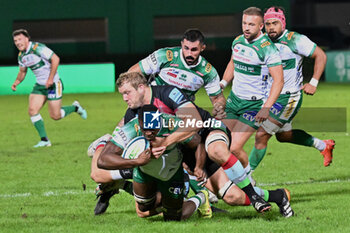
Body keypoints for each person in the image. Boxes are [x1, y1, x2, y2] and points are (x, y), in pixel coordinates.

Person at [92, 72, 294, 216]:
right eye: (122, 95)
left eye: (127, 93)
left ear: (142, 88)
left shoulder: (167, 93)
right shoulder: (134, 113)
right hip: (188, 149)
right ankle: (276, 196)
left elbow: (195, 122)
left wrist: (168, 142)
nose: (125, 98)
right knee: (231, 197)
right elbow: (132, 142)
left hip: (208, 131)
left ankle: (253, 196)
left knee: (216, 150)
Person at [247, 6, 334, 175]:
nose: (271, 27)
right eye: (267, 23)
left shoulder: (295, 39)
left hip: (288, 98)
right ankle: (323, 145)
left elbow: (320, 55)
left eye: (275, 23)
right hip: (270, 97)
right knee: (283, 136)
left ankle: (244, 178)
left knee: (262, 135)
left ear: (283, 23)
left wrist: (313, 82)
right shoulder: (262, 41)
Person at [97, 104, 212, 221]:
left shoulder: (171, 123)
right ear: (139, 122)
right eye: (145, 129)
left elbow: (198, 142)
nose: (149, 133)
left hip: (172, 173)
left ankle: (202, 197)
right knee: (144, 207)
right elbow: (102, 160)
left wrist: (199, 167)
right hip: (144, 172)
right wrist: (136, 161)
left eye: (153, 129)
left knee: (174, 217)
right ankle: (129, 187)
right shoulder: (132, 127)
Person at [219, 7, 284, 177]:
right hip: (234, 101)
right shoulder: (238, 41)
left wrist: (267, 107)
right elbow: (233, 63)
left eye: (251, 24)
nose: (246, 28)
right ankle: (224, 183)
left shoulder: (267, 48)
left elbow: (279, 81)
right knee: (221, 144)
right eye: (244, 23)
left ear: (261, 26)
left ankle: (248, 180)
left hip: (254, 105)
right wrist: (223, 83)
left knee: (235, 147)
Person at [11, 29, 87, 147]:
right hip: (40, 86)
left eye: (19, 39)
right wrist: (16, 82)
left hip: (53, 84)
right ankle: (45, 140)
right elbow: (22, 71)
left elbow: (55, 59)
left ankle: (75, 108)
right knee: (32, 110)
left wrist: (50, 79)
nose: (17, 42)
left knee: (55, 116)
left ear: (27, 39)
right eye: (15, 40)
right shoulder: (21, 56)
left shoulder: (38, 48)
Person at [128, 28, 226, 119]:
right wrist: (140, 93)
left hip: (180, 111)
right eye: (186, 48)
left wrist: (219, 106)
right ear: (181, 44)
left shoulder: (208, 72)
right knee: (129, 128)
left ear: (203, 48)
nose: (189, 53)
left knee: (195, 134)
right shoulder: (164, 56)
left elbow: (217, 98)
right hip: (152, 105)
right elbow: (132, 72)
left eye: (194, 49)